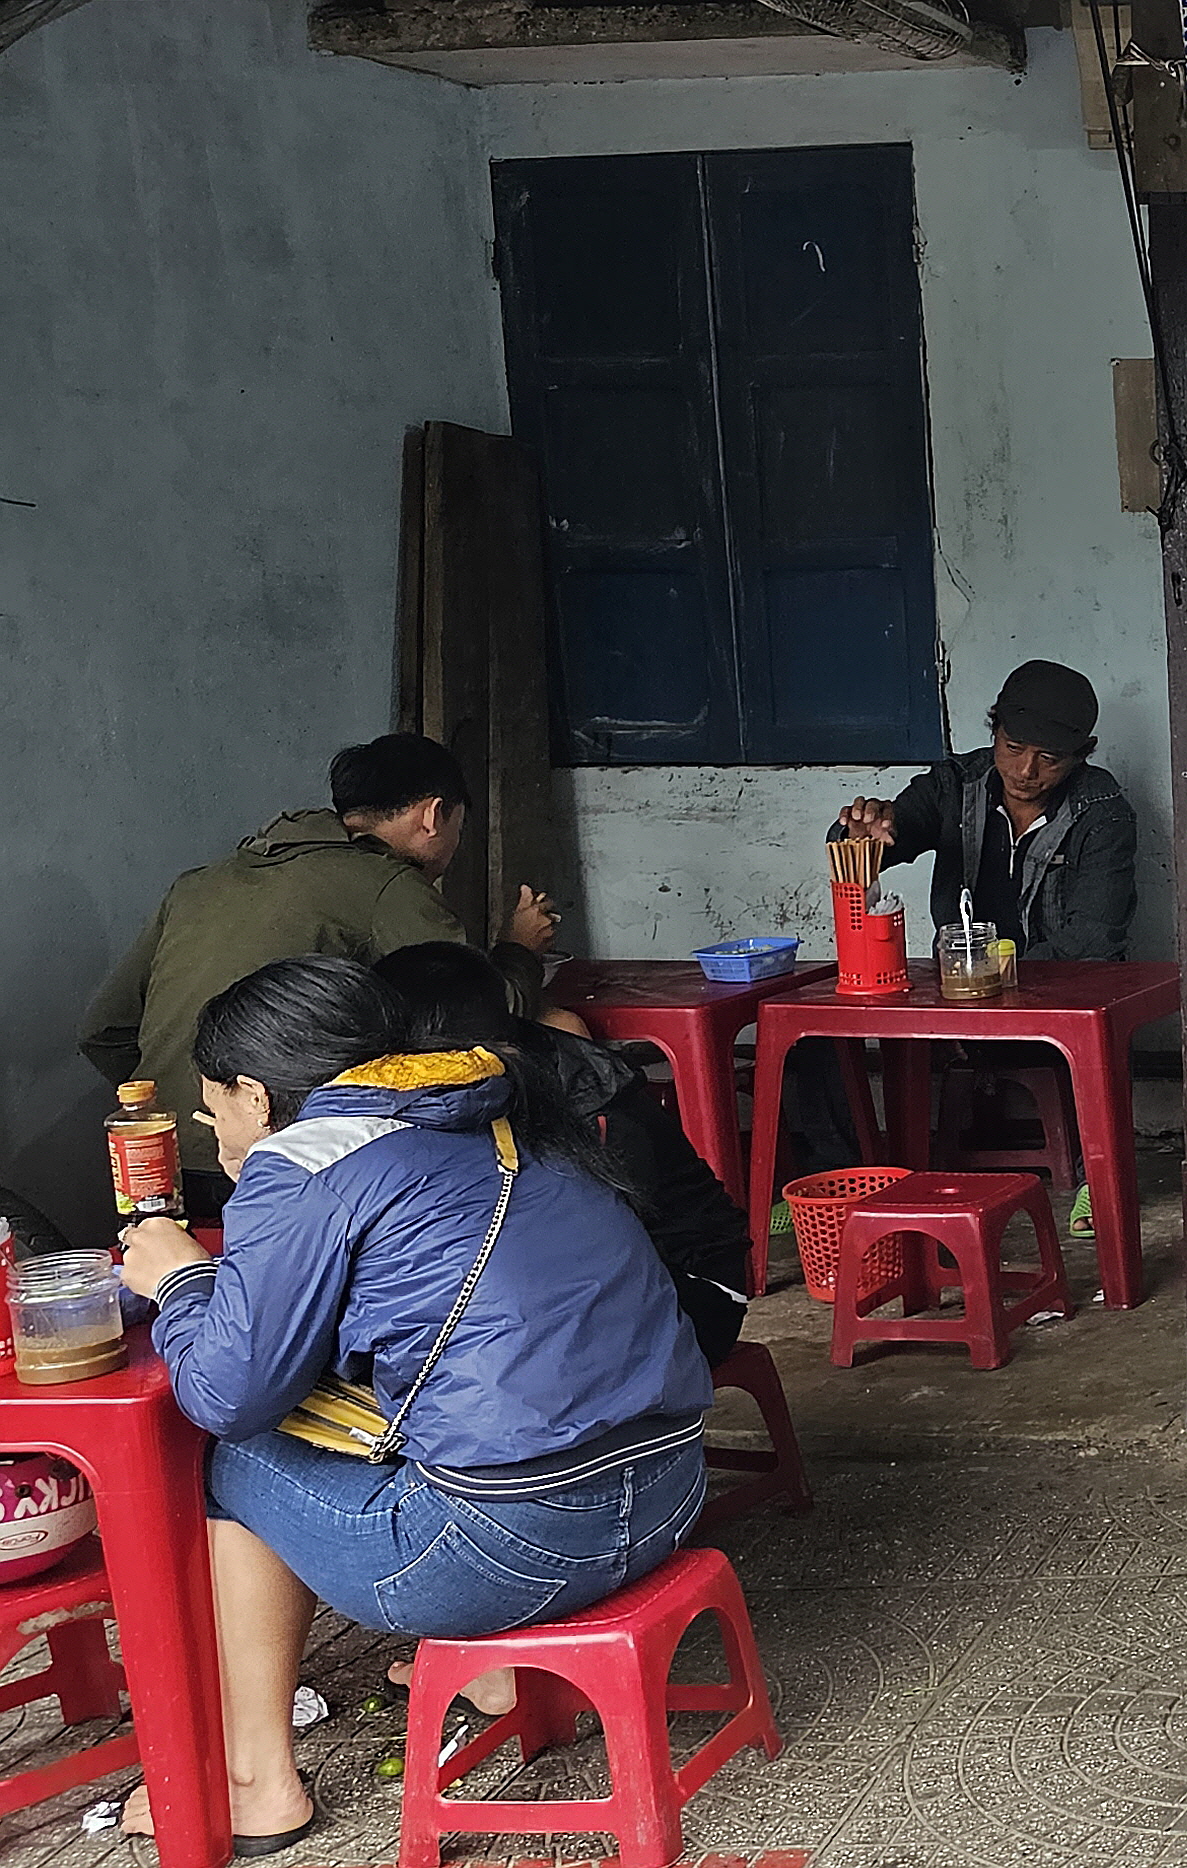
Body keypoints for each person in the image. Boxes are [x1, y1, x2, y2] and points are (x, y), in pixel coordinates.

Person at [112, 955, 709, 1853]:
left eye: (215, 1105)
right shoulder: (497, 1106)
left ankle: (256, 1780)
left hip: (508, 1550)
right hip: (669, 1493)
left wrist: (185, 1279)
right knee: (429, 1416)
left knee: (232, 1461)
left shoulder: (306, 1160)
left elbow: (225, 1394)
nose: (212, 1125)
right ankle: (506, 1674)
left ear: (258, 1097)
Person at [85, 731, 562, 1217]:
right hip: (291, 1159)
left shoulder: (198, 884)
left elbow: (103, 1030)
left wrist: (190, 1096)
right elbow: (486, 1014)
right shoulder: (388, 885)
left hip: (156, 1157)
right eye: (458, 828)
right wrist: (519, 947)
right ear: (433, 815)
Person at [377, 941, 753, 1367]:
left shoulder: (584, 1101)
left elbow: (588, 1251)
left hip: (692, 1293)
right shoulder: (486, 1072)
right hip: (594, 1282)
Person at [829, 659, 1139, 961]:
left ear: (1080, 755)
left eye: (1048, 758)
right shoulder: (953, 785)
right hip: (961, 985)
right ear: (995, 732)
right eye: (1013, 748)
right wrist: (861, 840)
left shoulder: (1101, 814)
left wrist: (994, 977)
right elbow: (893, 834)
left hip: (1061, 996)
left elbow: (1092, 941)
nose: (1025, 771)